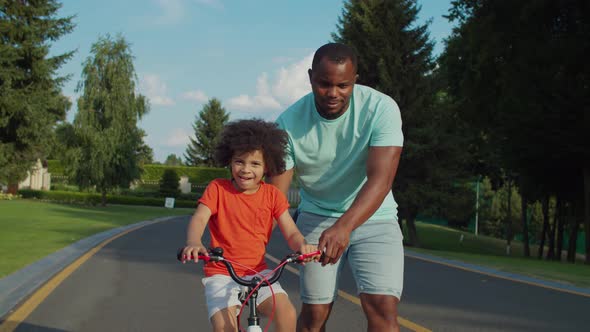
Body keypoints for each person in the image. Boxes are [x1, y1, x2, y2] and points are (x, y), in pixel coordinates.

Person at [267, 43, 404, 332]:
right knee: (315, 313)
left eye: (343, 85)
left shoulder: (381, 108)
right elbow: (276, 197)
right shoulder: (287, 124)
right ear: (310, 77)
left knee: (382, 306)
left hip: (375, 215)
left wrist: (344, 226)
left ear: (355, 79)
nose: (333, 93)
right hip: (317, 215)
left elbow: (381, 180)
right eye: (324, 84)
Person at [180, 119, 319, 332]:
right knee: (225, 327)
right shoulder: (218, 189)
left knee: (287, 313)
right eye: (239, 161)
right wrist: (194, 242)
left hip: (257, 271)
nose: (246, 170)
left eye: (255, 164)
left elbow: (290, 231)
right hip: (221, 272)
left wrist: (303, 246)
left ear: (267, 167)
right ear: (229, 161)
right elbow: (199, 218)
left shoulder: (273, 195)